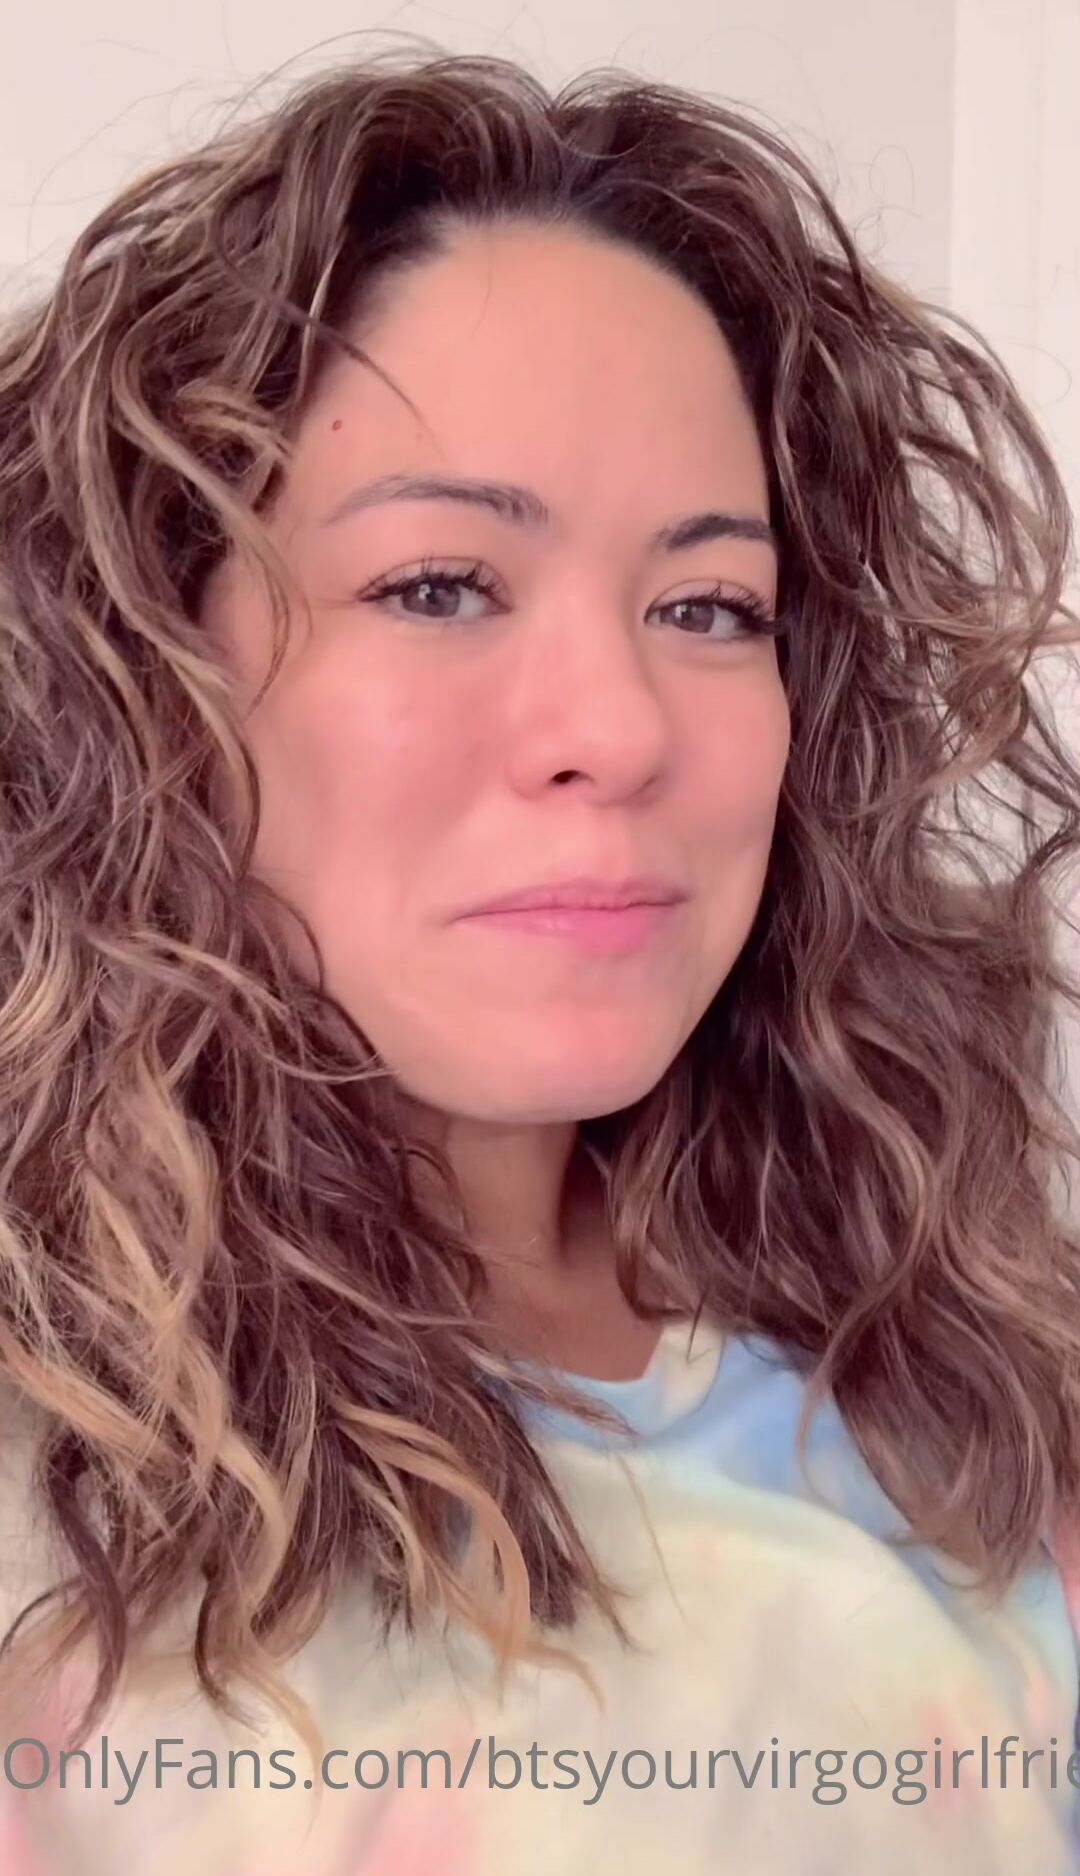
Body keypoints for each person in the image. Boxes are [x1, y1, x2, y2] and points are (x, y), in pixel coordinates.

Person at [0, 43, 1079, 1876]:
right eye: (440, 585)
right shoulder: (56, 1485)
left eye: (709, 606)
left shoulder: (966, 1369)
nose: (621, 726)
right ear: (147, 675)